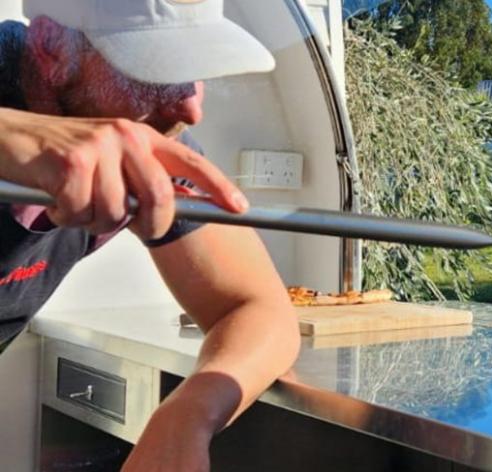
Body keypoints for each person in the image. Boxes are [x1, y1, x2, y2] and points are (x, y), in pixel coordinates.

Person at [0, 0, 300, 470]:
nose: (190, 106)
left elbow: (258, 308)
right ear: (49, 49)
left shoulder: (154, 147)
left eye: (195, 69)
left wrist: (189, 413)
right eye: (156, 71)